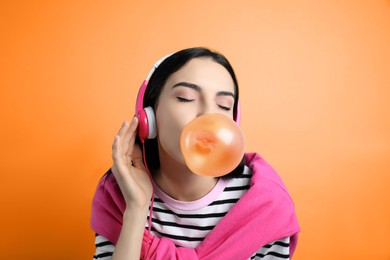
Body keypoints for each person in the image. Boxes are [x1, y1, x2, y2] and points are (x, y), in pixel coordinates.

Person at [91, 47, 300, 260]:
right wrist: (136, 209)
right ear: (149, 116)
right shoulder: (120, 194)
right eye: (186, 98)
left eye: (223, 105)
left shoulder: (265, 205)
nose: (208, 115)